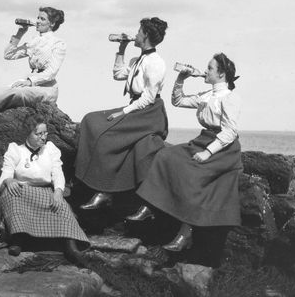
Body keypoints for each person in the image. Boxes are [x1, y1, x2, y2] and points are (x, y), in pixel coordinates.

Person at [129, 53, 242, 252]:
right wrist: (182, 78)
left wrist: (208, 152)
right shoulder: (207, 95)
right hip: (203, 140)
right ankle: (150, 205)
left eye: (210, 68)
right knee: (165, 156)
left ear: (222, 74)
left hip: (222, 148)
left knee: (193, 174)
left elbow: (230, 132)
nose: (206, 71)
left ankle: (185, 232)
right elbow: (178, 101)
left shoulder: (229, 98)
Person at [75, 17, 169, 210]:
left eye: (139, 31)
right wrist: (122, 48)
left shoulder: (156, 63)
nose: (136, 34)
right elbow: (118, 74)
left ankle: (104, 191)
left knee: (108, 135)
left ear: (146, 36)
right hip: (136, 107)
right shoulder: (138, 59)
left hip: (149, 113)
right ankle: (86, 181)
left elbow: (148, 98)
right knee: (90, 120)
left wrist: (122, 113)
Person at [0, 112, 89, 262]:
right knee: (12, 196)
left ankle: (71, 247)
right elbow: (5, 175)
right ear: (28, 134)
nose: (43, 137)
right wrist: (9, 181)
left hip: (44, 191)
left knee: (62, 206)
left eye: (45, 133)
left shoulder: (50, 149)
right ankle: (18, 240)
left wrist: (58, 191)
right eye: (38, 134)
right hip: (21, 191)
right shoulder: (15, 150)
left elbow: (57, 173)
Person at [0, 7, 66, 121]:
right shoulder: (33, 41)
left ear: (52, 23)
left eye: (42, 19)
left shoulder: (58, 44)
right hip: (31, 84)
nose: (38, 21)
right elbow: (8, 55)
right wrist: (20, 33)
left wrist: (29, 81)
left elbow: (51, 72)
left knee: (15, 93)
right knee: (2, 90)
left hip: (47, 89)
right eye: (38, 18)